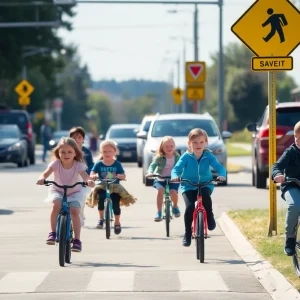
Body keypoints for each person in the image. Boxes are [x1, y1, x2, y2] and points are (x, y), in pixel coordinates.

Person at [36, 137, 95, 252]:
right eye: (62, 152)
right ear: (58, 153)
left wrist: (89, 181)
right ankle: (52, 233)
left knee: (74, 211)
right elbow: (44, 174)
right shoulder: (55, 164)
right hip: (58, 190)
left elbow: (85, 176)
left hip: (75, 192)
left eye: (69, 152)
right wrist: (41, 179)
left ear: (75, 153)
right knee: (56, 206)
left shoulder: (78, 165)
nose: (66, 154)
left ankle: (77, 240)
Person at [171, 128, 226, 247]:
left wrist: (222, 175)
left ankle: (210, 217)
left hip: (206, 183)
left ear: (206, 142)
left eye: (201, 142)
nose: (198, 145)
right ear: (189, 143)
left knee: (206, 197)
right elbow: (176, 169)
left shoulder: (208, 155)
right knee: (190, 207)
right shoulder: (186, 156)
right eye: (195, 142)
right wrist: (175, 176)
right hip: (188, 185)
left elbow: (218, 167)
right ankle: (187, 233)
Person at [271, 121, 300, 256]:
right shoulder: (291, 152)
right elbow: (276, 166)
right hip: (292, 185)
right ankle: (290, 238)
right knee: (295, 205)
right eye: (296, 137)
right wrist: (277, 174)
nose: (298, 140)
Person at [90, 140, 126, 234]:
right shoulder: (99, 164)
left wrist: (120, 176)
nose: (107, 153)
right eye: (104, 151)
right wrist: (93, 176)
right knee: (101, 198)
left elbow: (123, 175)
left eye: (110, 151)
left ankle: (117, 222)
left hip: (115, 186)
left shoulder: (117, 164)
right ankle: (101, 219)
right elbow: (92, 172)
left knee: (116, 204)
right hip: (103, 185)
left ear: (115, 152)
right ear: (101, 152)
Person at [145, 136, 181, 222]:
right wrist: (150, 172)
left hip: (173, 179)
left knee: (173, 192)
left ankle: (175, 206)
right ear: (162, 147)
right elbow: (153, 165)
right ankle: (159, 212)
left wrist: (181, 175)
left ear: (174, 147)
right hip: (160, 178)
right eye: (166, 146)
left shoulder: (177, 156)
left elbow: (181, 167)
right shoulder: (159, 157)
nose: (169, 148)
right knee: (160, 191)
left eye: (171, 146)